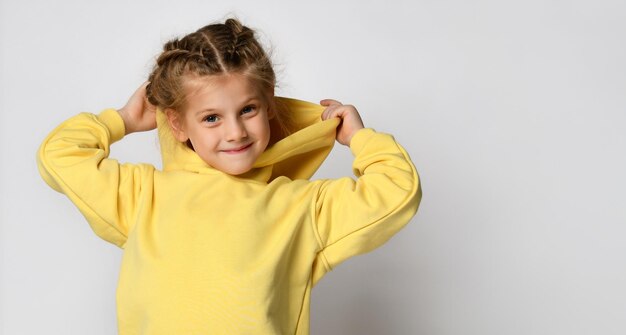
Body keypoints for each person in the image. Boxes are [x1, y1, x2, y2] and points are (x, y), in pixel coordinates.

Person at [37, 18, 421, 335]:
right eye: (211, 118)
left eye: (248, 109)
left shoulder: (301, 208)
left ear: (269, 104)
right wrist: (120, 119)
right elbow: (59, 156)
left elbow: (398, 191)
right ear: (177, 124)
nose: (235, 131)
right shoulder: (145, 195)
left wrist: (359, 137)